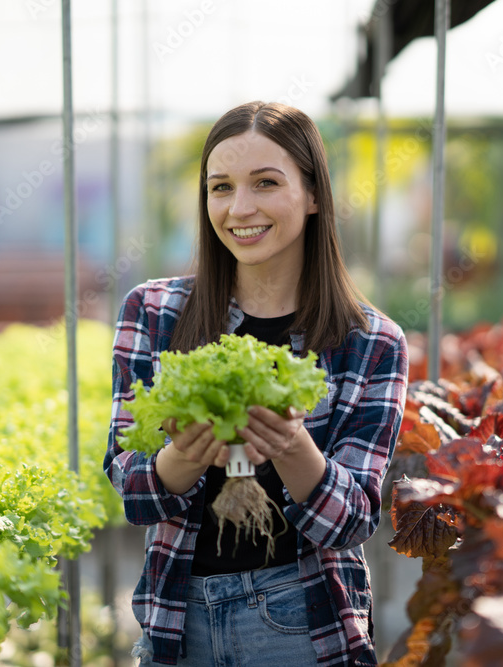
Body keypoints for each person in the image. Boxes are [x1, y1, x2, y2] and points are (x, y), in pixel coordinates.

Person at [104, 101, 409, 667]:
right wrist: (183, 458)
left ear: (313, 194)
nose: (239, 208)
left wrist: (292, 446)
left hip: (304, 621)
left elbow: (351, 521)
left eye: (265, 183)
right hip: (177, 618)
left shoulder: (371, 341)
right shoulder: (152, 312)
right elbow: (132, 491)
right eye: (220, 187)